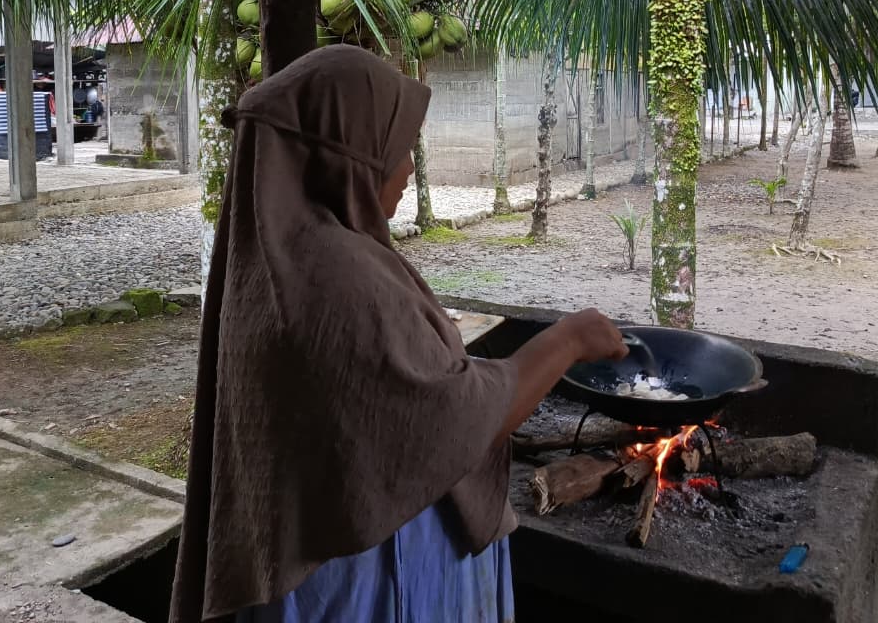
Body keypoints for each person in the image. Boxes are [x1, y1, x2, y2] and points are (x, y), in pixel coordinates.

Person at [170, 45, 627, 623]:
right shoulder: (337, 275)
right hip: (369, 581)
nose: (409, 167)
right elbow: (449, 417)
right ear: (347, 152)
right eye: (397, 146)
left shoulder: (276, 260)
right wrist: (569, 339)